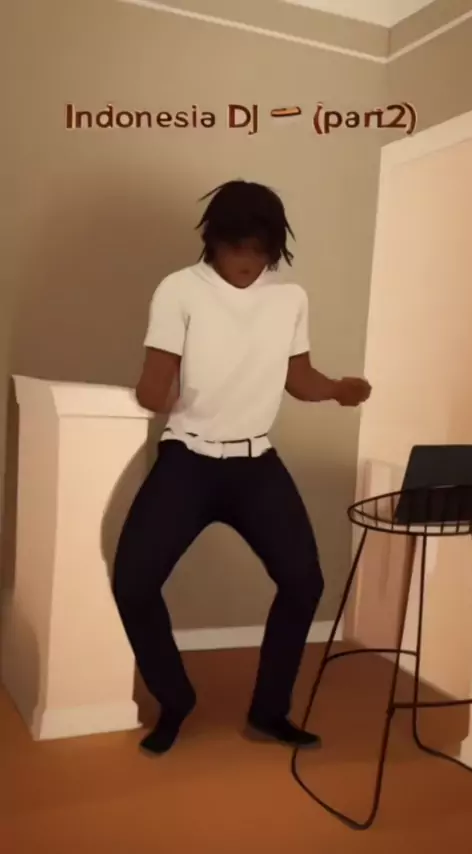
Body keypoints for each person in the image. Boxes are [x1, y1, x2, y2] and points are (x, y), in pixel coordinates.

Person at [112, 179, 371, 756]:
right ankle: (176, 699)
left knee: (304, 582)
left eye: (260, 250)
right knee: (132, 582)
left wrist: (337, 389)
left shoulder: (290, 298)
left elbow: (298, 377)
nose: (248, 262)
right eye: (237, 248)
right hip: (188, 460)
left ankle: (269, 712)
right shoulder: (180, 289)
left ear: (275, 248)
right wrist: (156, 390)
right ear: (214, 241)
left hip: (255, 463)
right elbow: (155, 387)